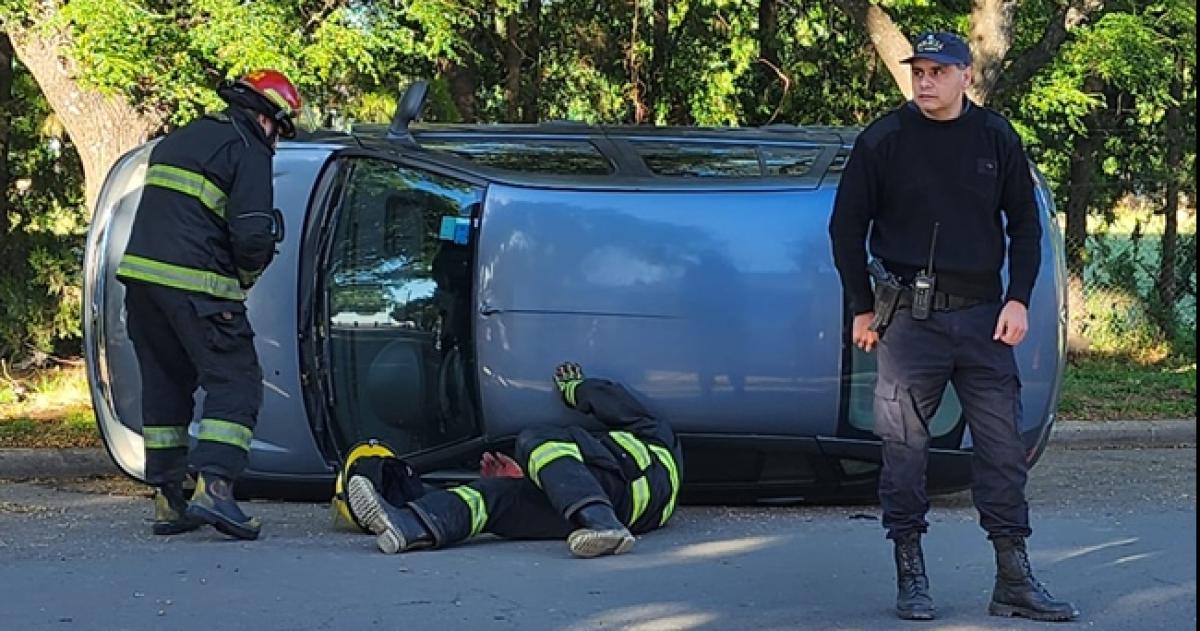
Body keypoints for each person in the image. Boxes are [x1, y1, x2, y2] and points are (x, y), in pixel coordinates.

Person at [828, 32, 1078, 622]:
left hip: (984, 318)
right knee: (904, 450)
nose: (925, 81)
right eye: (919, 71)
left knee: (1003, 450)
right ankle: (911, 575)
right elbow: (845, 228)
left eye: (938, 71)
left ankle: (1013, 578)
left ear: (967, 75)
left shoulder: (996, 137)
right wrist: (861, 308)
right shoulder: (883, 140)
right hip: (908, 323)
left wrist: (1018, 300)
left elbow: (1025, 225)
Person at [115, 69, 302, 541]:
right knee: (237, 381)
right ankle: (215, 488)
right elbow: (253, 233)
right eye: (279, 130)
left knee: (165, 383)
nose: (276, 140)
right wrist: (245, 276)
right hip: (198, 286)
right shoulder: (248, 148)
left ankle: (169, 498)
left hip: (142, 285)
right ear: (268, 119)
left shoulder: (181, 138)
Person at [346, 362, 682, 558]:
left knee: (537, 439)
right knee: (492, 496)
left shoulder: (656, 435)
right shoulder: (650, 452)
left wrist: (574, 387)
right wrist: (530, 480)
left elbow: (612, 399)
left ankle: (604, 524)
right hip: (616, 512)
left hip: (625, 493)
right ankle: (409, 525)